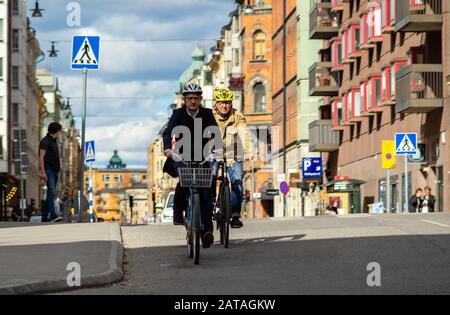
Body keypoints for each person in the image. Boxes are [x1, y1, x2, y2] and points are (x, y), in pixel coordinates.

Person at [162, 83, 222, 249]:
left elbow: (215, 132)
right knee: (184, 180)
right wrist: (168, 148)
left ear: (200, 99)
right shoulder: (177, 114)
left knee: (205, 191)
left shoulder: (207, 114)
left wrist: (217, 150)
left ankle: (207, 232)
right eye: (190, 98)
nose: (193, 101)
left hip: (202, 156)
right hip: (181, 155)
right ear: (185, 100)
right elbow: (168, 132)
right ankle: (178, 213)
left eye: (196, 98)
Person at [211, 88, 254, 229]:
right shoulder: (209, 116)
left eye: (228, 103)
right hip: (212, 152)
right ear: (216, 104)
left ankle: (235, 215)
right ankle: (209, 206)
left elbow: (244, 133)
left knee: (237, 181)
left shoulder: (237, 115)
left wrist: (248, 151)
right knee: (209, 178)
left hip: (233, 152)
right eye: (222, 103)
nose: (225, 106)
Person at [39, 122, 63, 222]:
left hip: (55, 171)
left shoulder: (54, 141)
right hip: (48, 170)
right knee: (52, 192)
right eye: (59, 131)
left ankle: (44, 217)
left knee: (51, 193)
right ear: (56, 131)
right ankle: (52, 215)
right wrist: (43, 172)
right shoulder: (45, 141)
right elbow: (41, 157)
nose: (60, 133)